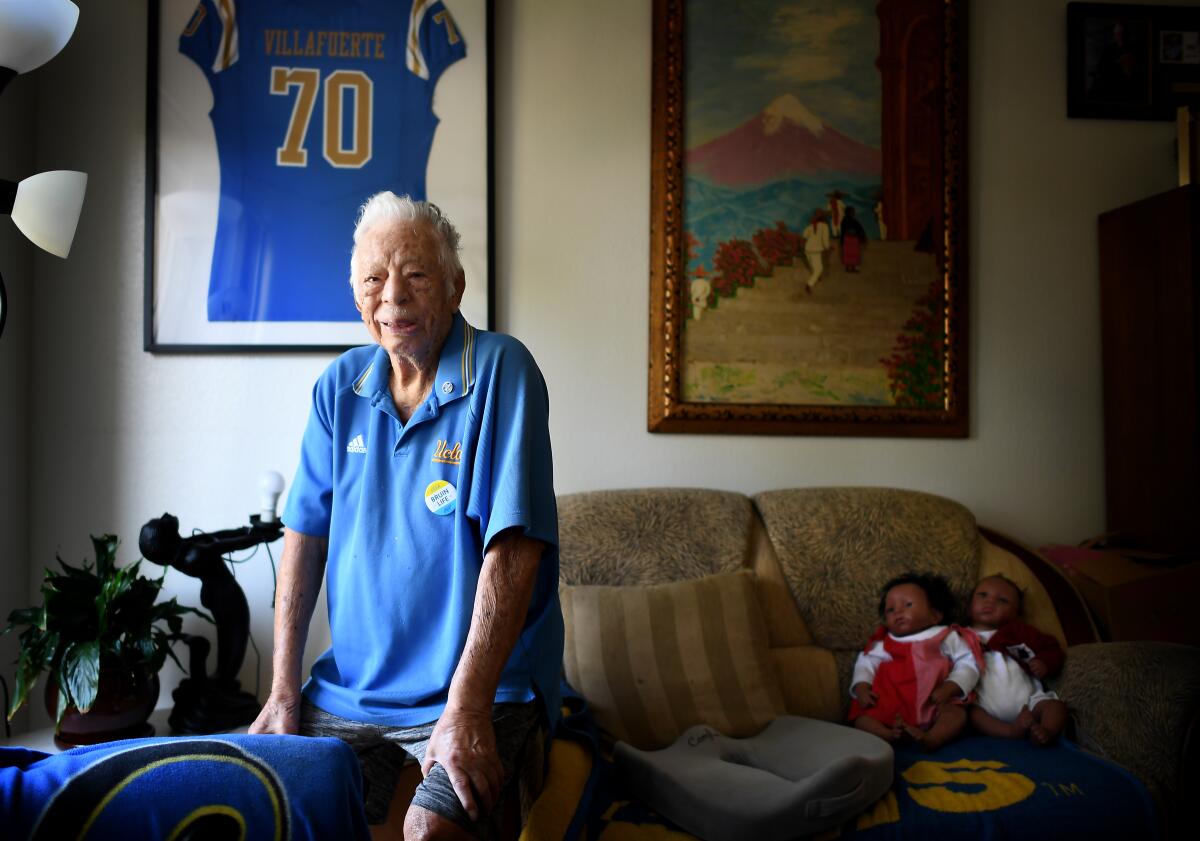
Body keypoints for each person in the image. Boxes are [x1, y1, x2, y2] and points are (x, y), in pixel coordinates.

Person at [250, 192, 564, 841]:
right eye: (373, 278)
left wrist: (467, 706)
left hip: (480, 690)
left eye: (416, 274)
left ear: (455, 286)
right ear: (355, 293)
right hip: (349, 692)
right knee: (269, 805)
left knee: (431, 829)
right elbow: (304, 537)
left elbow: (515, 550)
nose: (392, 297)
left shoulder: (503, 370)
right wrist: (282, 690)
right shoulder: (340, 386)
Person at [848, 572, 982, 751]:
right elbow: (866, 664)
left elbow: (968, 662)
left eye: (908, 605)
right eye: (890, 609)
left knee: (957, 714)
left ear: (935, 615)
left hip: (935, 701)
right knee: (861, 718)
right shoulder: (883, 642)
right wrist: (862, 688)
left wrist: (951, 686)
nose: (898, 611)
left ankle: (933, 738)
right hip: (891, 703)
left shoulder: (946, 636)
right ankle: (888, 736)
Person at [966, 575, 1068, 746]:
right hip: (984, 706)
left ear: (1016, 614)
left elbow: (1052, 648)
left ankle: (1045, 731)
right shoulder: (959, 636)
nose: (990, 602)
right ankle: (1010, 732)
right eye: (982, 595)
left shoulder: (1019, 632)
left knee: (1056, 707)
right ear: (968, 606)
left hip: (1031, 702)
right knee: (971, 715)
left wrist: (1044, 662)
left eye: (1003, 600)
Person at [801, 210, 832, 294]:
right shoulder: (824, 226)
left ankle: (817, 277)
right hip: (816, 250)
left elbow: (804, 237)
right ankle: (809, 285)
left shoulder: (810, 226)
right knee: (819, 269)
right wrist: (828, 248)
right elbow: (825, 240)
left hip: (807, 249)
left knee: (814, 266)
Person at [839, 206, 867, 273]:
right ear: (849, 212)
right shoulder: (847, 220)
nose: (853, 213)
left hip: (851, 239)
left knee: (851, 254)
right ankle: (850, 267)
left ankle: (851, 267)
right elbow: (844, 230)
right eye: (852, 211)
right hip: (850, 239)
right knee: (850, 253)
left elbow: (859, 229)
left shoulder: (849, 220)